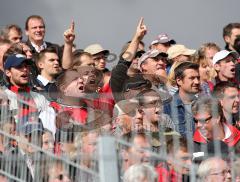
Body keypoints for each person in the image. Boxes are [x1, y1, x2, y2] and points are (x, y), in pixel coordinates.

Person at [164, 62, 200, 137]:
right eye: (192, 78)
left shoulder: (204, 104)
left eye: (198, 78)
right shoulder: (167, 107)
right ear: (179, 81)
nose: (197, 82)